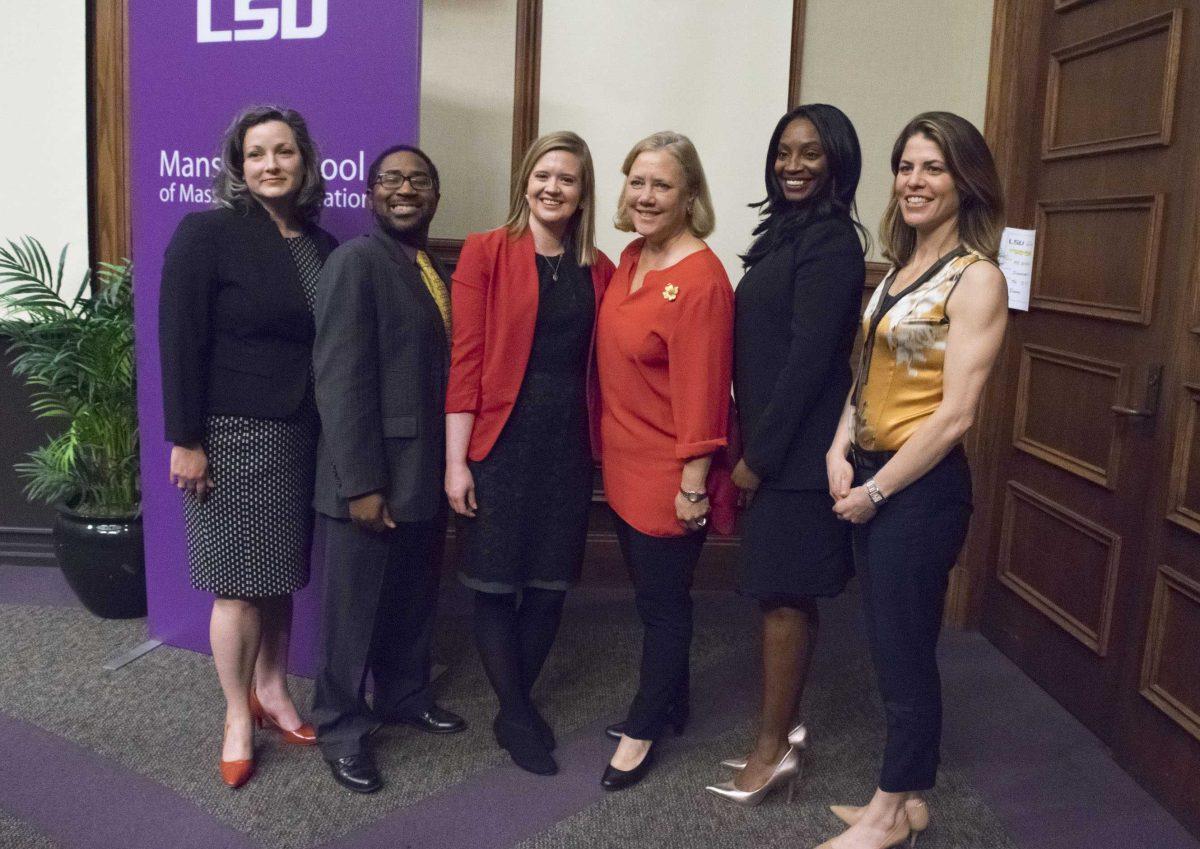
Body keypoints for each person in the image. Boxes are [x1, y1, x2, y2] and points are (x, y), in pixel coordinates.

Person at [816, 112, 1007, 849]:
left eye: (932, 168)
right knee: (894, 643)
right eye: (905, 167)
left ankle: (890, 815)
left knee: (902, 651)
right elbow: (865, 377)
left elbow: (955, 414)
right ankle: (901, 797)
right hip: (870, 472)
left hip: (919, 493)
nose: (914, 181)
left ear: (965, 182)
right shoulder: (898, 271)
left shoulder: (976, 277)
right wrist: (839, 447)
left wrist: (877, 490)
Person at [159, 105, 336, 788]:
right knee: (237, 587)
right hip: (229, 435)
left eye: (284, 151)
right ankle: (238, 714)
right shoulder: (208, 234)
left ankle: (276, 692)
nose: (271, 164)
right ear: (238, 165)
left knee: (280, 578)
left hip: (300, 434)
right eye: (256, 153)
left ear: (303, 160)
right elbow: (179, 340)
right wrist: (187, 439)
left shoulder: (318, 244)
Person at [705, 104, 867, 806]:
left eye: (809, 153)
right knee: (787, 592)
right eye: (783, 152)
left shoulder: (832, 242)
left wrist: (757, 459)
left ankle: (770, 751)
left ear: (836, 161)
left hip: (797, 457)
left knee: (781, 599)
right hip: (782, 446)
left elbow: (808, 363)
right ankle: (785, 728)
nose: (792, 165)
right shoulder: (787, 236)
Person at [445, 131, 615, 776]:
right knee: (493, 581)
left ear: (582, 192)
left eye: (567, 179)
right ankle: (516, 712)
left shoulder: (599, 269)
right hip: (500, 440)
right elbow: (464, 362)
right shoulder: (488, 252)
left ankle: (512, 706)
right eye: (543, 175)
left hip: (568, 443)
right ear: (525, 181)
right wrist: (456, 462)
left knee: (549, 584)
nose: (552, 188)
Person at [310, 144, 467, 794]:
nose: (406, 189)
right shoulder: (356, 262)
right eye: (392, 180)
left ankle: (404, 692)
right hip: (370, 477)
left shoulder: (431, 265)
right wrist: (362, 484)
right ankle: (342, 727)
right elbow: (340, 378)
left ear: (436, 194)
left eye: (420, 180)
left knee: (411, 598)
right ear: (371, 194)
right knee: (353, 612)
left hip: (424, 469)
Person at [596, 131, 734, 791]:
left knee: (664, 606)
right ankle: (673, 702)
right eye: (637, 182)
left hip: (671, 474)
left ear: (689, 197)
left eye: (663, 185)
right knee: (654, 599)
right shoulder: (630, 257)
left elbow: (706, 392)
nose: (646, 196)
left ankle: (644, 726)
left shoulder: (701, 278)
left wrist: (693, 485)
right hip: (621, 463)